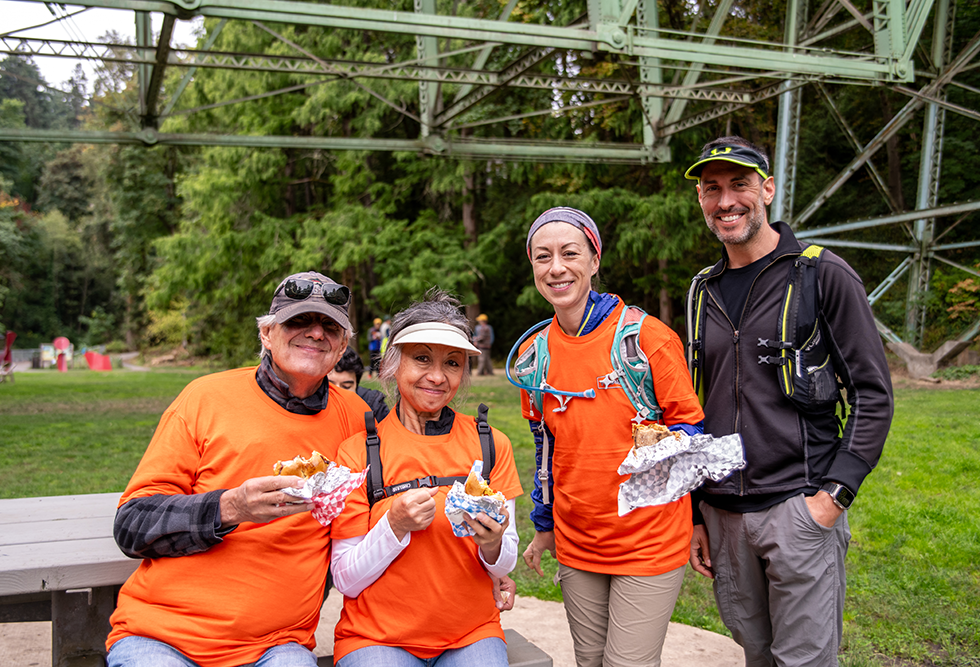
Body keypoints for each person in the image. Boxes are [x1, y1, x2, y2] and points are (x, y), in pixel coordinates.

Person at [684, 137, 894, 667]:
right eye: (712, 189)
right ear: (702, 201)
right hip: (722, 514)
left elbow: (872, 393)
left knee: (804, 661)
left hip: (798, 509)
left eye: (740, 185)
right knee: (756, 654)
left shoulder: (821, 273)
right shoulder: (702, 291)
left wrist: (833, 497)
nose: (726, 201)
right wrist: (694, 513)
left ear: (768, 190)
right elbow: (687, 408)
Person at [106, 271, 370, 667]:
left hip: (279, 646)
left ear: (342, 345)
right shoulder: (205, 398)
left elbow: (422, 439)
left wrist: (491, 565)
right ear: (266, 334)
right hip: (163, 637)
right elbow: (132, 526)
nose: (316, 333)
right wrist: (230, 508)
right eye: (299, 320)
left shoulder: (358, 416)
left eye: (330, 326)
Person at [517, 207, 706, 667]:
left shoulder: (646, 339)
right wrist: (544, 528)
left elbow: (692, 430)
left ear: (595, 260)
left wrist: (660, 447)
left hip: (649, 539)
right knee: (590, 661)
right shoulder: (532, 356)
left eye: (569, 253)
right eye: (543, 257)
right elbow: (546, 451)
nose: (556, 267)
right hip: (578, 541)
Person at [329, 288, 523, 666]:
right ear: (392, 364)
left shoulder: (491, 444)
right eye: (421, 359)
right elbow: (346, 579)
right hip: (375, 638)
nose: (436, 376)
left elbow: (504, 564)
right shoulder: (359, 452)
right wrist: (394, 525)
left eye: (452, 363)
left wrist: (494, 544)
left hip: (472, 633)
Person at [330, 345, 390, 422]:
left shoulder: (373, 406)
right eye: (330, 385)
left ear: (356, 386)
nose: (337, 392)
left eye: (346, 386)